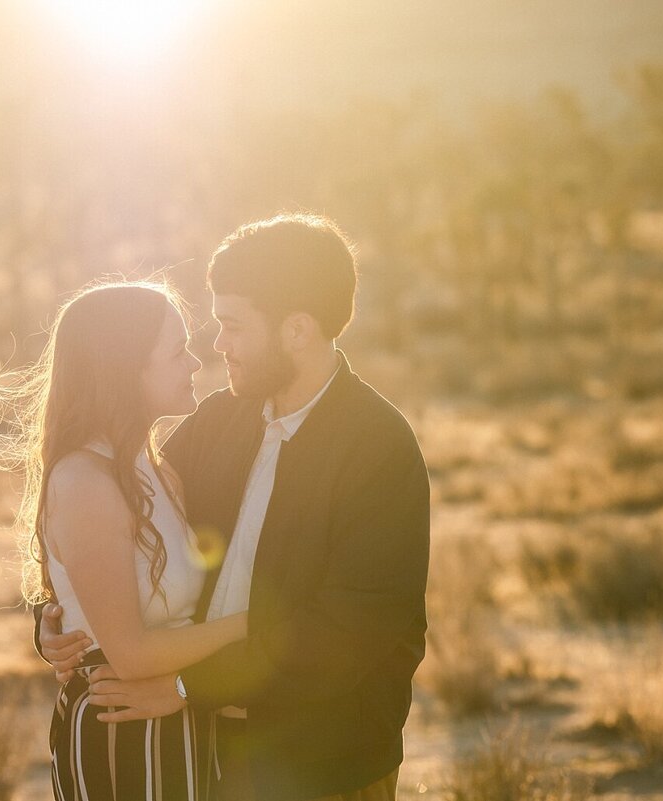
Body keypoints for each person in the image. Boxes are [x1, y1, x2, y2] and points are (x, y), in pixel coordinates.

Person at [39, 214, 432, 801]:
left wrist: (186, 685)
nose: (216, 345)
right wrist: (62, 620)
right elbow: (124, 532)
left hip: (320, 765)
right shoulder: (217, 421)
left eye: (232, 325)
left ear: (297, 330)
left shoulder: (379, 449)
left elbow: (351, 634)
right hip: (199, 754)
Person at [0, 281, 249, 801]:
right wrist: (248, 624)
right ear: (125, 371)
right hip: (122, 728)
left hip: (175, 720)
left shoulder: (156, 468)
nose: (195, 363)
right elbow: (128, 654)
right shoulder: (86, 482)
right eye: (177, 351)